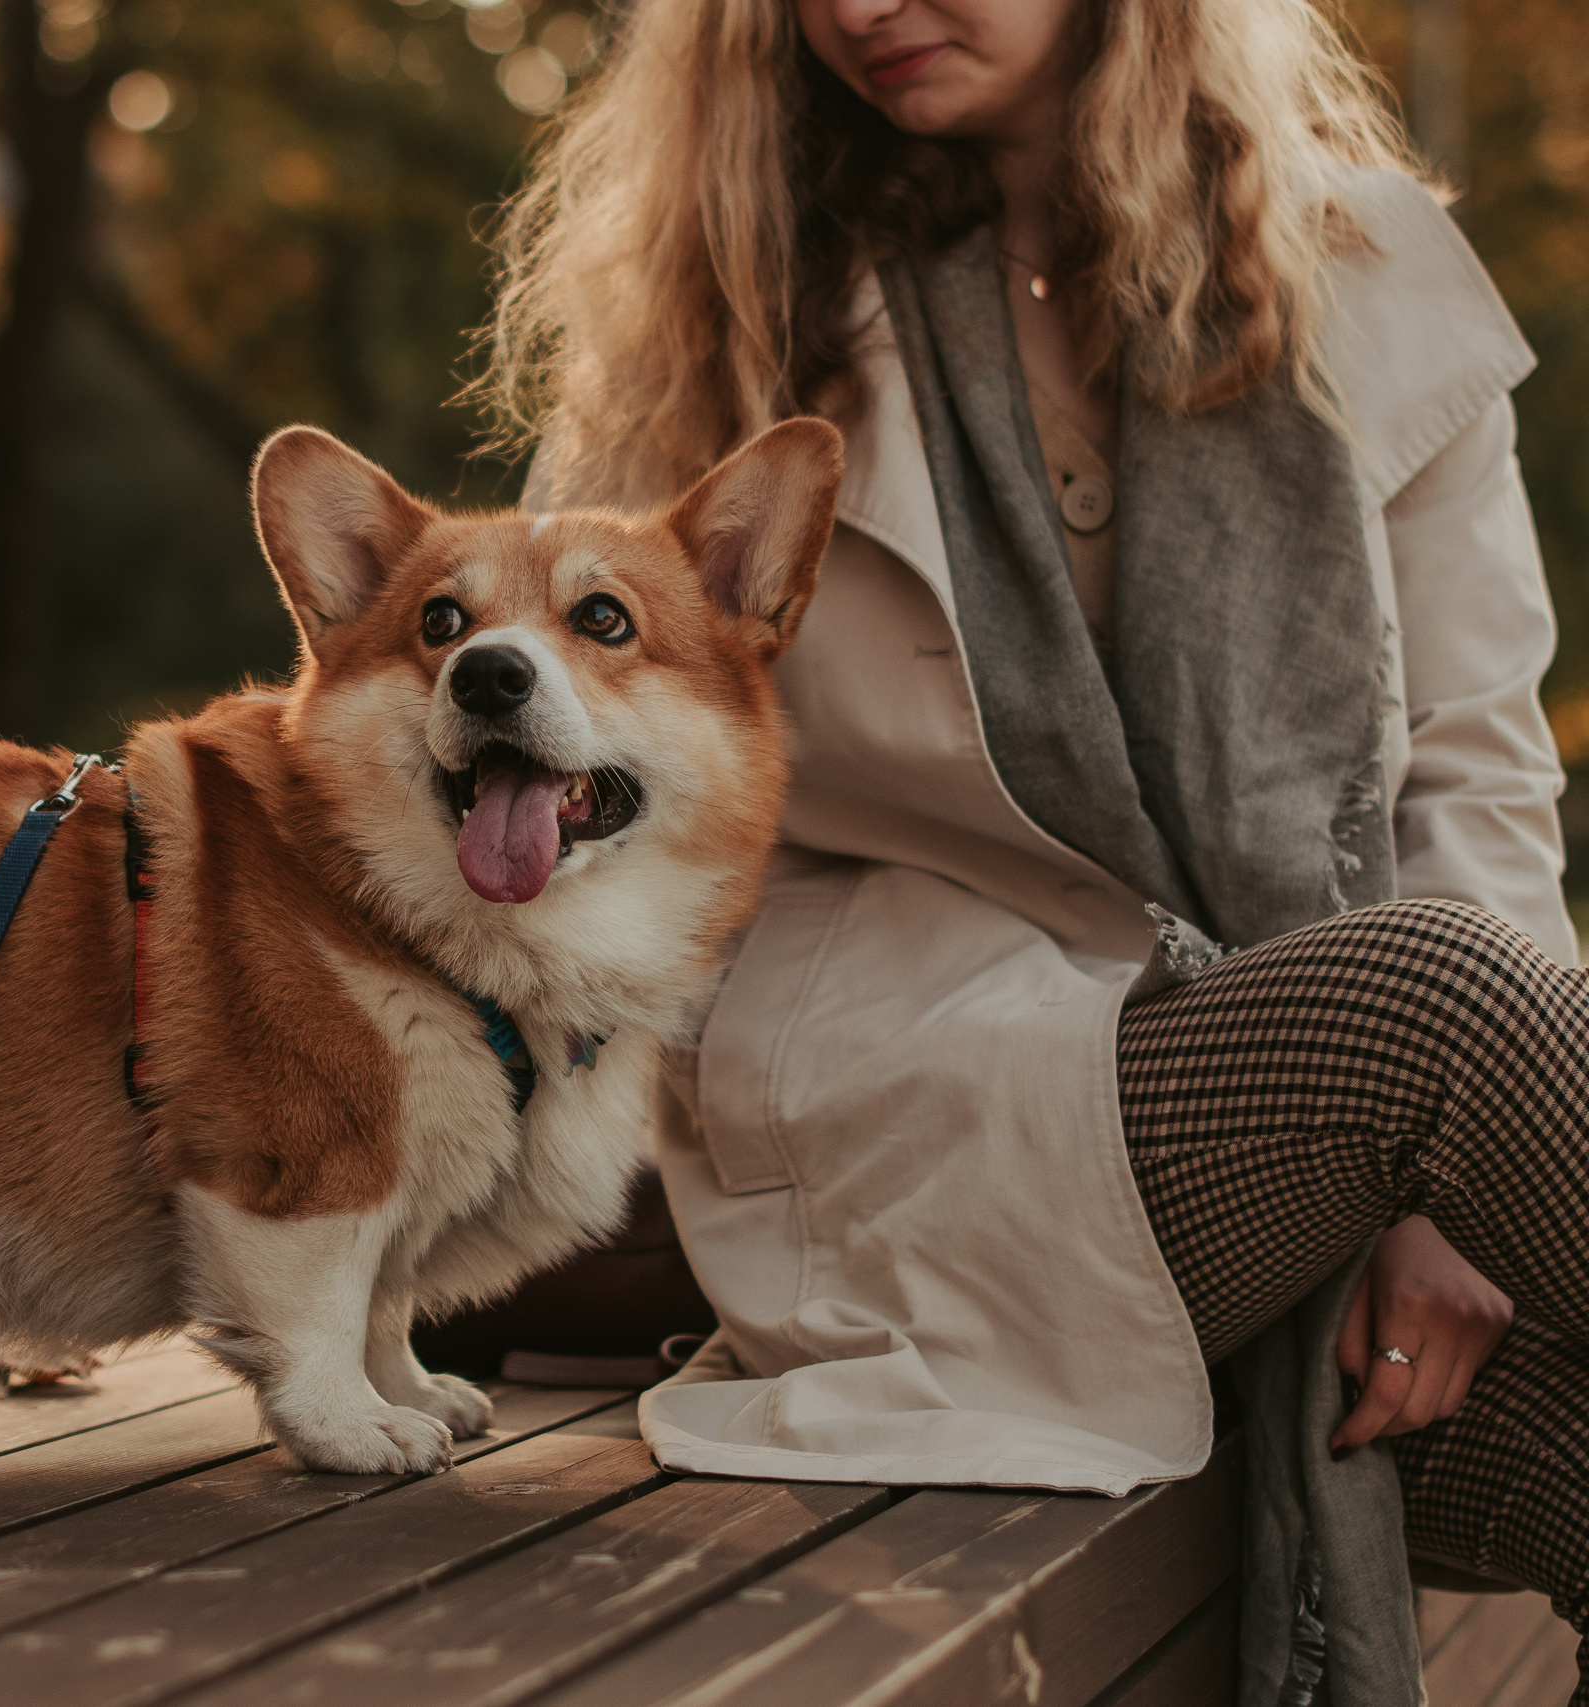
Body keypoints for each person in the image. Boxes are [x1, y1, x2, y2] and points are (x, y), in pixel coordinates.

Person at [485, 0, 1586, 1690]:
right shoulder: (720, 320)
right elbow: (583, 775)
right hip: (930, 1107)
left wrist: (1456, 1222)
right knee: (1431, 997)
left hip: (1308, 1118)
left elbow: (1475, 766)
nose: (863, 10)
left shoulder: (1369, 268)